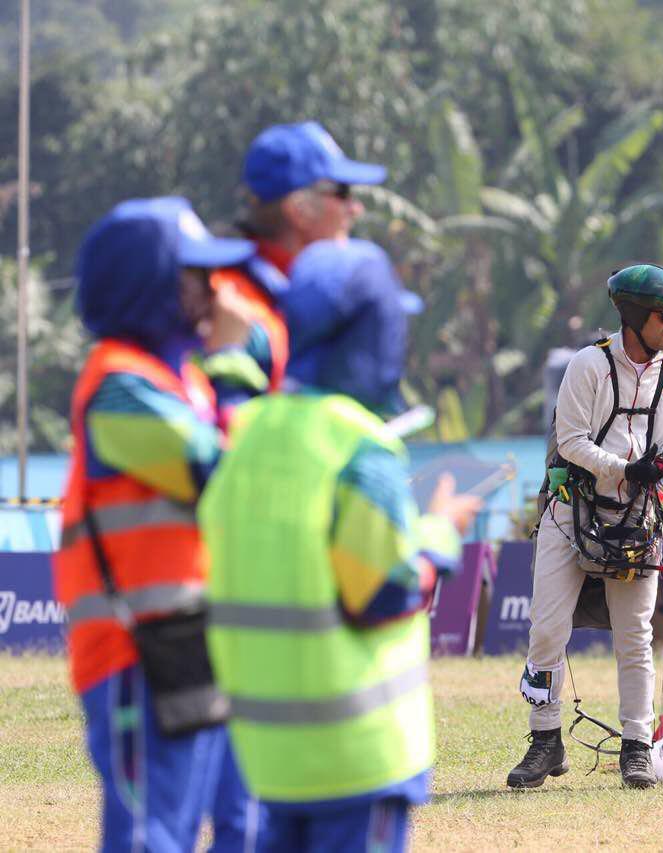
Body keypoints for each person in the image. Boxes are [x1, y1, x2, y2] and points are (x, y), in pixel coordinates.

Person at [199, 239, 481, 852]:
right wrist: (438, 534)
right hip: (357, 760)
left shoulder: (243, 436)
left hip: (267, 761)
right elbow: (383, 591)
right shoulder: (360, 449)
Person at [52, 197, 268, 851]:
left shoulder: (181, 384)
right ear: (156, 287)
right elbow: (221, 473)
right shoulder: (119, 385)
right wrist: (233, 365)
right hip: (132, 651)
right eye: (197, 276)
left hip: (188, 640)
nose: (215, 291)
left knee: (226, 823)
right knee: (151, 836)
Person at [508, 263, 663, 791]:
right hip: (572, 512)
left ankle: (636, 747)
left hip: (638, 517)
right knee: (547, 629)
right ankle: (545, 740)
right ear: (634, 316)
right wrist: (623, 468)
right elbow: (570, 441)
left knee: (634, 637)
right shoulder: (589, 365)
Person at [210, 120, 386, 398]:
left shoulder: (291, 290)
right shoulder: (237, 304)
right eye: (342, 193)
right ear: (298, 209)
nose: (356, 209)